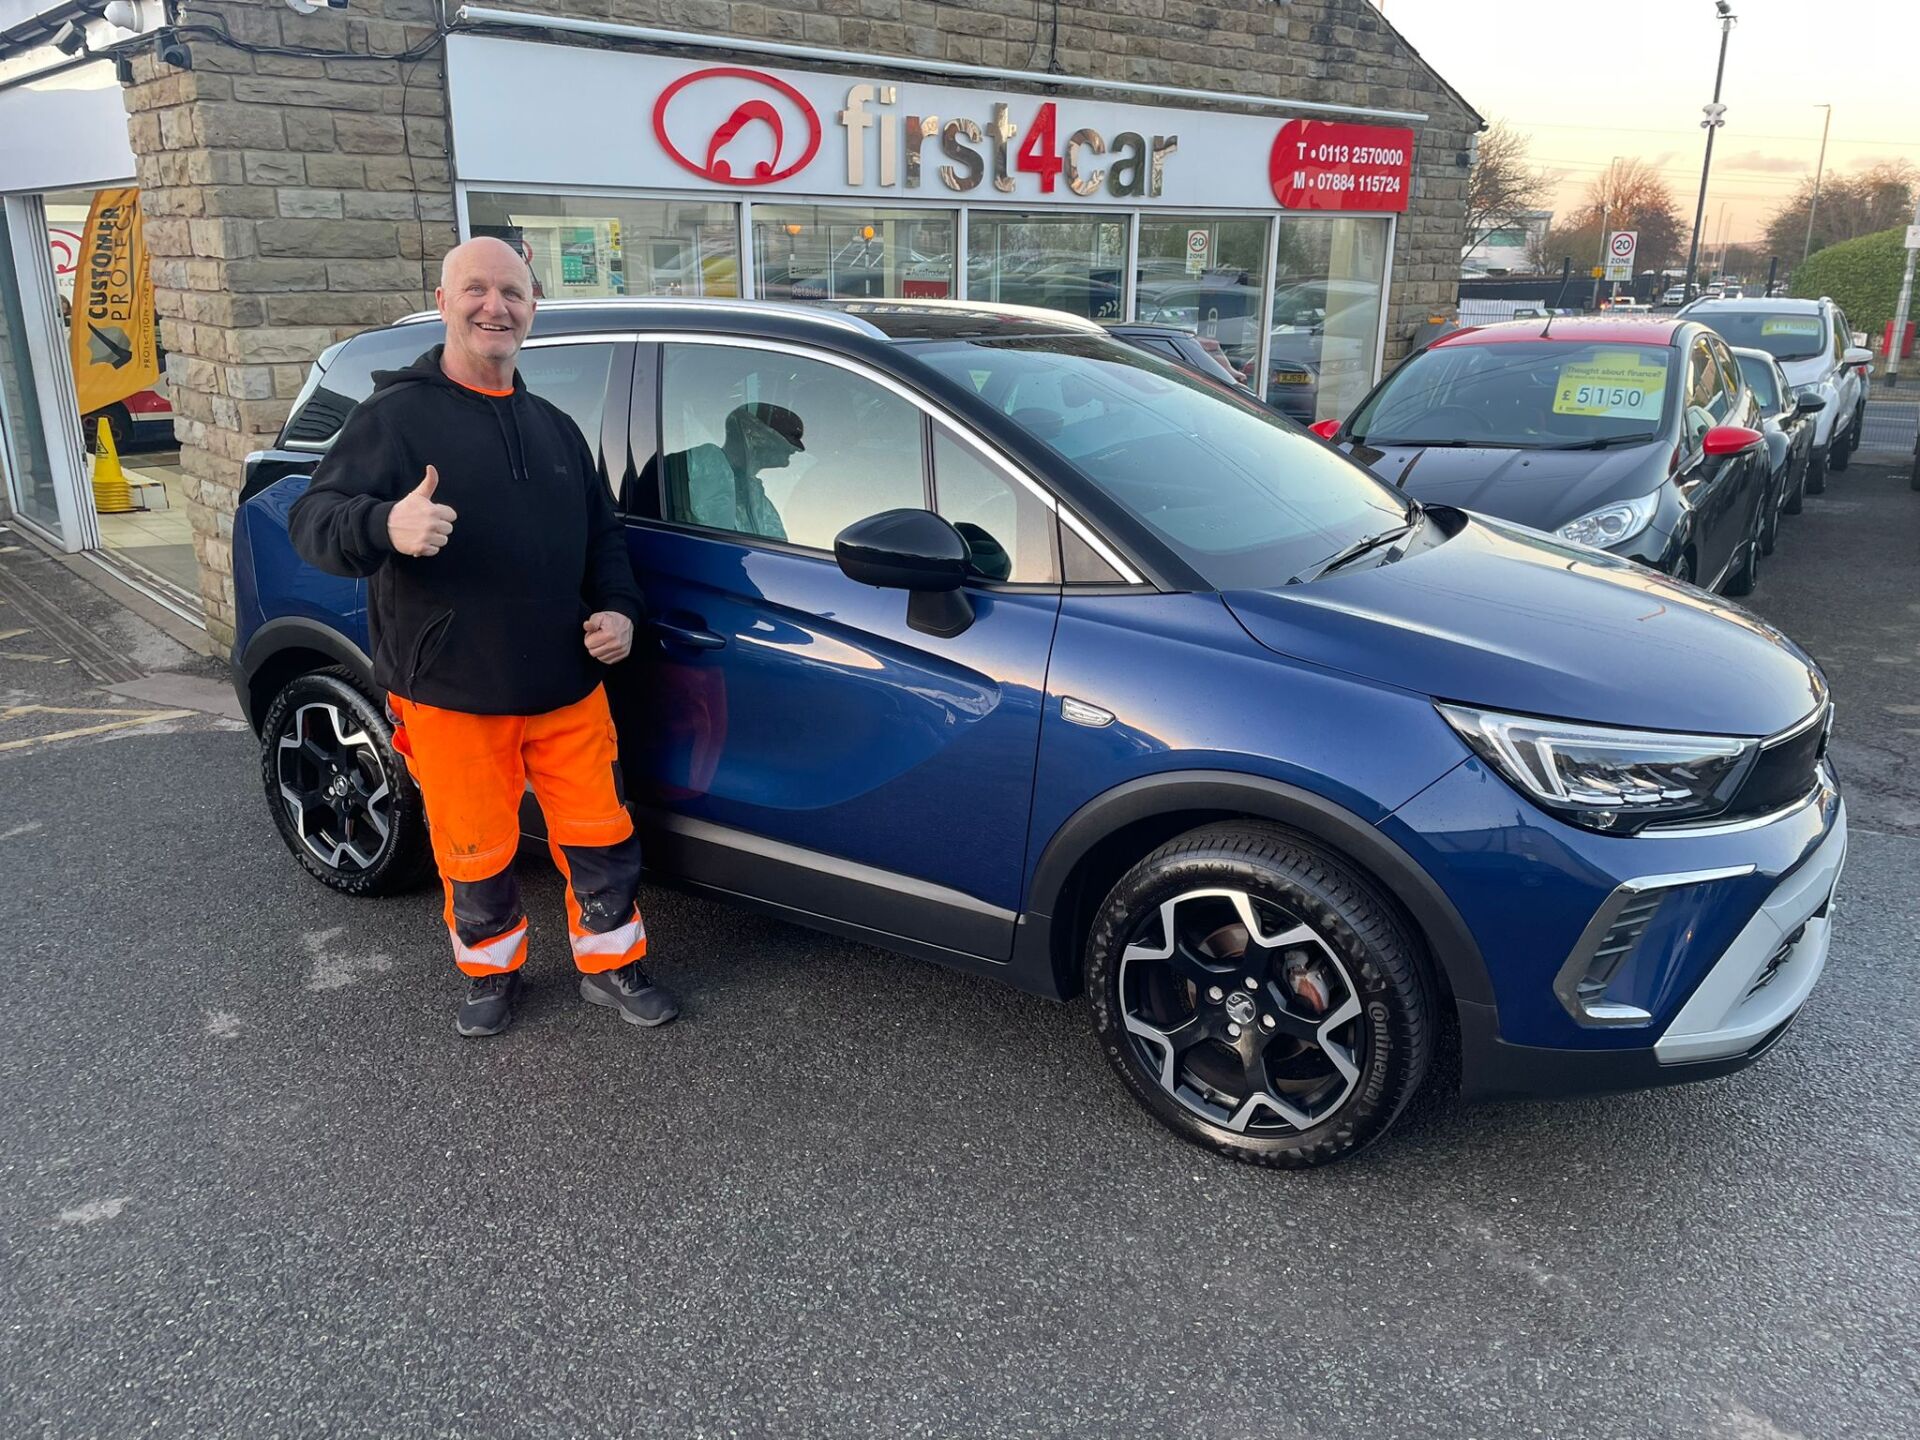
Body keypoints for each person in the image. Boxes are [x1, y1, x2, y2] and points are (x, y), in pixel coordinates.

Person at [288, 236, 677, 1039]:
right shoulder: (394, 417)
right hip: (453, 693)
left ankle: (611, 967)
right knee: (476, 852)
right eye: (476, 290)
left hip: (568, 686)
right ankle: (491, 974)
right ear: (443, 301)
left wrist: (619, 610)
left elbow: (604, 539)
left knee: (603, 837)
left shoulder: (554, 427)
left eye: (512, 293)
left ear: (532, 310)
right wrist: (384, 523)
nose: (494, 306)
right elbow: (312, 521)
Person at [667, 401, 805, 540]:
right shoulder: (699, 472)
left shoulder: (754, 493)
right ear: (751, 434)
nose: (794, 450)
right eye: (786, 443)